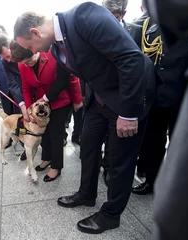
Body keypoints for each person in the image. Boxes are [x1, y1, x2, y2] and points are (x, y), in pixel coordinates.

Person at [14, 2, 156, 234]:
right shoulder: (56, 47)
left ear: (35, 33)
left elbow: (130, 58)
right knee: (88, 145)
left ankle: (111, 214)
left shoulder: (85, 15)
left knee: (120, 157)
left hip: (128, 97)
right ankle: (86, 194)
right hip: (98, 100)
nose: (32, 52)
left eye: (29, 47)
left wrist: (129, 113)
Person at [131, 1, 188, 195]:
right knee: (152, 143)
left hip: (181, 99)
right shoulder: (145, 25)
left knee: (178, 146)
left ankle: (176, 188)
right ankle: (151, 181)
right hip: (155, 96)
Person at [10, 41, 82, 182]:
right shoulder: (22, 64)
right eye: (24, 63)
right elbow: (26, 88)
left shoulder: (51, 53)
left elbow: (70, 77)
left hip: (61, 99)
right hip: (41, 104)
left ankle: (56, 166)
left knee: (56, 133)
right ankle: (47, 158)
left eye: (29, 60)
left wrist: (77, 99)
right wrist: (29, 110)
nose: (27, 64)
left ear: (34, 49)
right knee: (45, 133)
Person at [101, 0, 144, 186]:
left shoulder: (135, 31)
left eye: (113, 14)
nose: (107, 17)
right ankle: (101, 164)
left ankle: (110, 168)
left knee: (116, 137)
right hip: (98, 95)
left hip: (122, 95)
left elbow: (138, 65)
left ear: (123, 13)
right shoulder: (95, 28)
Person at [0, 35, 28, 161]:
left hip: (37, 88)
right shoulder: (5, 62)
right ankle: (25, 146)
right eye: (4, 58)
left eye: (8, 56)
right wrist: (22, 103)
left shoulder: (26, 48)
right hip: (22, 92)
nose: (7, 60)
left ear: (12, 46)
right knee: (22, 121)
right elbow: (12, 83)